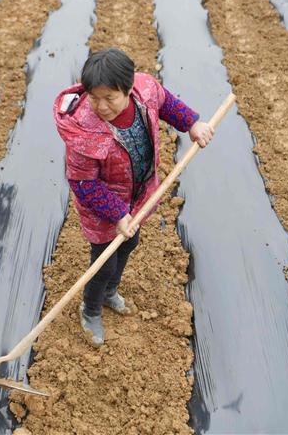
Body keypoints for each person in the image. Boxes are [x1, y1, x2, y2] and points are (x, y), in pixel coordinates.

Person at [53, 48, 214, 347]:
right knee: (104, 261)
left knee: (131, 243)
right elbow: (82, 183)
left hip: (137, 194)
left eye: (109, 98)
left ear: (128, 90)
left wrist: (192, 123)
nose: (101, 106)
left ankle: (111, 293)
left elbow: (167, 102)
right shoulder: (82, 133)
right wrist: (117, 213)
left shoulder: (145, 91)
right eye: (94, 97)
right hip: (104, 207)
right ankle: (90, 310)